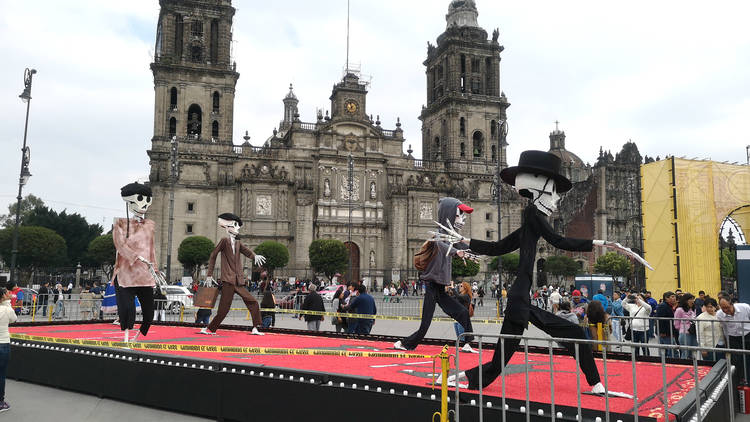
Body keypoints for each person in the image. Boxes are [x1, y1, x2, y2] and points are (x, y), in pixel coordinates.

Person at [438, 151, 648, 397]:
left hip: (520, 298)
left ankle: (455, 377)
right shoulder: (534, 216)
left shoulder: (530, 218)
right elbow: (557, 240)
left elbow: (499, 247)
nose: (557, 200)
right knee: (560, 337)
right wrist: (602, 242)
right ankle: (596, 384)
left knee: (508, 355)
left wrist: (465, 240)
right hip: (520, 300)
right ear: (539, 189)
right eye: (554, 193)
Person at [393, 197, 477, 353]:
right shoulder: (438, 235)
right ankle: (405, 344)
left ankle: (467, 343)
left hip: (440, 286)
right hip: (432, 285)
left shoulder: (452, 236)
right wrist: (457, 252)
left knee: (462, 312)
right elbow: (442, 245)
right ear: (449, 214)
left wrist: (487, 249)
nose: (462, 218)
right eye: (459, 214)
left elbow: (465, 246)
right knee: (426, 323)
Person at [201, 213, 266, 336]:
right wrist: (209, 274)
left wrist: (255, 256)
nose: (237, 228)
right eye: (235, 225)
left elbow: (247, 251)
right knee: (224, 309)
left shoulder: (237, 243)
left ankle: (255, 327)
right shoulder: (224, 241)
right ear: (228, 227)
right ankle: (210, 329)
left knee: (253, 302)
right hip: (228, 280)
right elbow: (213, 255)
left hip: (238, 281)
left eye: (238, 226)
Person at [113, 182, 159, 342]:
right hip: (126, 274)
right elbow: (119, 244)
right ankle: (126, 338)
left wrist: (155, 268)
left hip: (145, 275)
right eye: (140, 199)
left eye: (147, 200)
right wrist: (136, 257)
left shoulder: (150, 224)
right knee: (127, 309)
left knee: (149, 313)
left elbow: (151, 248)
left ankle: (137, 338)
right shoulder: (120, 223)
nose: (144, 204)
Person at [717, 297, 750, 383]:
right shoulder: (719, 314)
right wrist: (726, 341)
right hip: (733, 338)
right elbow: (724, 328)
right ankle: (738, 380)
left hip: (747, 335)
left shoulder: (745, 308)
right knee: (736, 361)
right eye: (722, 308)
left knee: (747, 359)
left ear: (732, 304)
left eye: (727, 307)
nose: (725, 310)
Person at [0, 287, 17, 413]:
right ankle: (0, 402)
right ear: (3, 296)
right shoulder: (7, 309)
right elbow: (14, 319)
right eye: (7, 293)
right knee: (1, 374)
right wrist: (8, 303)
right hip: (3, 344)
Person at [696, 297, 722, 361]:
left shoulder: (719, 315)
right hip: (709, 346)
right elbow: (700, 334)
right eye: (707, 307)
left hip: (721, 344)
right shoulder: (701, 318)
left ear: (715, 306)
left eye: (711, 306)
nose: (709, 309)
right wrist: (703, 348)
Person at [674, 293, 697, 359]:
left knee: (693, 352)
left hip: (693, 333)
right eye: (690, 299)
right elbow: (676, 324)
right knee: (685, 353)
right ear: (685, 300)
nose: (692, 301)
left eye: (693, 299)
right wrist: (683, 329)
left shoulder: (693, 309)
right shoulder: (679, 310)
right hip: (684, 333)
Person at [656, 291, 677, 357]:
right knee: (671, 352)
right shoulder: (663, 306)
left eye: (674, 297)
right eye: (672, 297)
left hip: (669, 332)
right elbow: (660, 320)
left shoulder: (668, 306)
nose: (674, 298)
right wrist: (662, 332)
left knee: (667, 351)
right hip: (665, 333)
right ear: (666, 298)